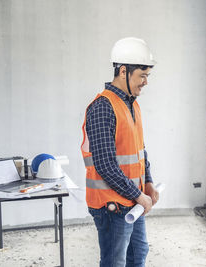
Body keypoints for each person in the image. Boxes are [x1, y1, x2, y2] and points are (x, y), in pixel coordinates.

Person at [80, 37, 160, 267]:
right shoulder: (102, 107)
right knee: (115, 261)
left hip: (131, 200)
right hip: (111, 206)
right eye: (142, 76)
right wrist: (139, 196)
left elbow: (139, 151)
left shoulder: (132, 104)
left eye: (147, 76)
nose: (145, 82)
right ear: (123, 71)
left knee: (138, 254)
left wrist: (149, 182)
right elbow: (105, 165)